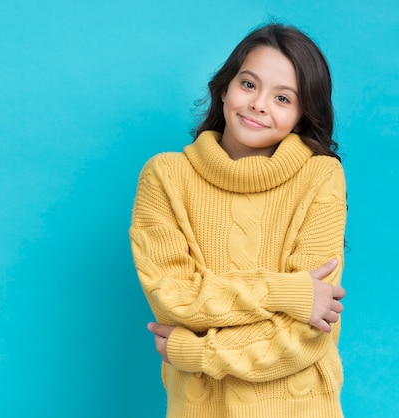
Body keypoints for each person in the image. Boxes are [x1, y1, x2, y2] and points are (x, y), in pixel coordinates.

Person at [129, 22, 347, 417]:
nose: (259, 104)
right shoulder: (165, 176)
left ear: (301, 115)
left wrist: (196, 351)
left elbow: (310, 332)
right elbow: (175, 300)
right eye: (249, 85)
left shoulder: (321, 176)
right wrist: (287, 294)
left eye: (283, 98)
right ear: (224, 88)